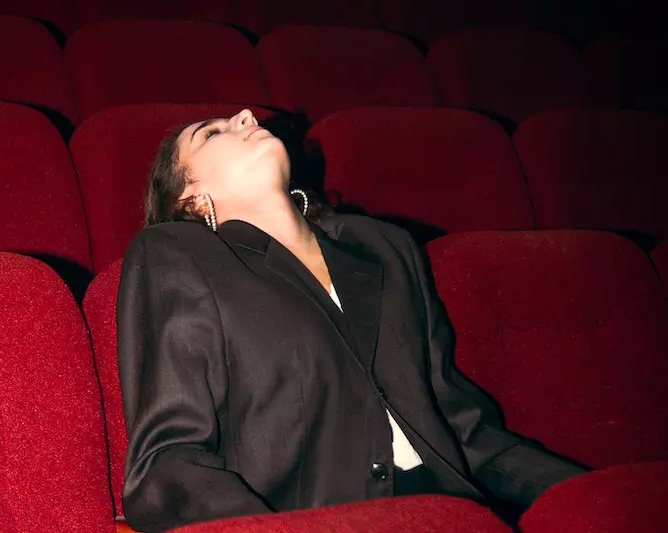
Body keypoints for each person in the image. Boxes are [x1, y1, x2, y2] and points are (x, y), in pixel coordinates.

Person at [116, 109, 589, 533]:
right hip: (309, 519)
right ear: (189, 199)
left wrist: (591, 495)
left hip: (451, 511)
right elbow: (166, 461)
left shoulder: (385, 247)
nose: (244, 115)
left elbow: (462, 429)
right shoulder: (176, 254)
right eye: (211, 133)